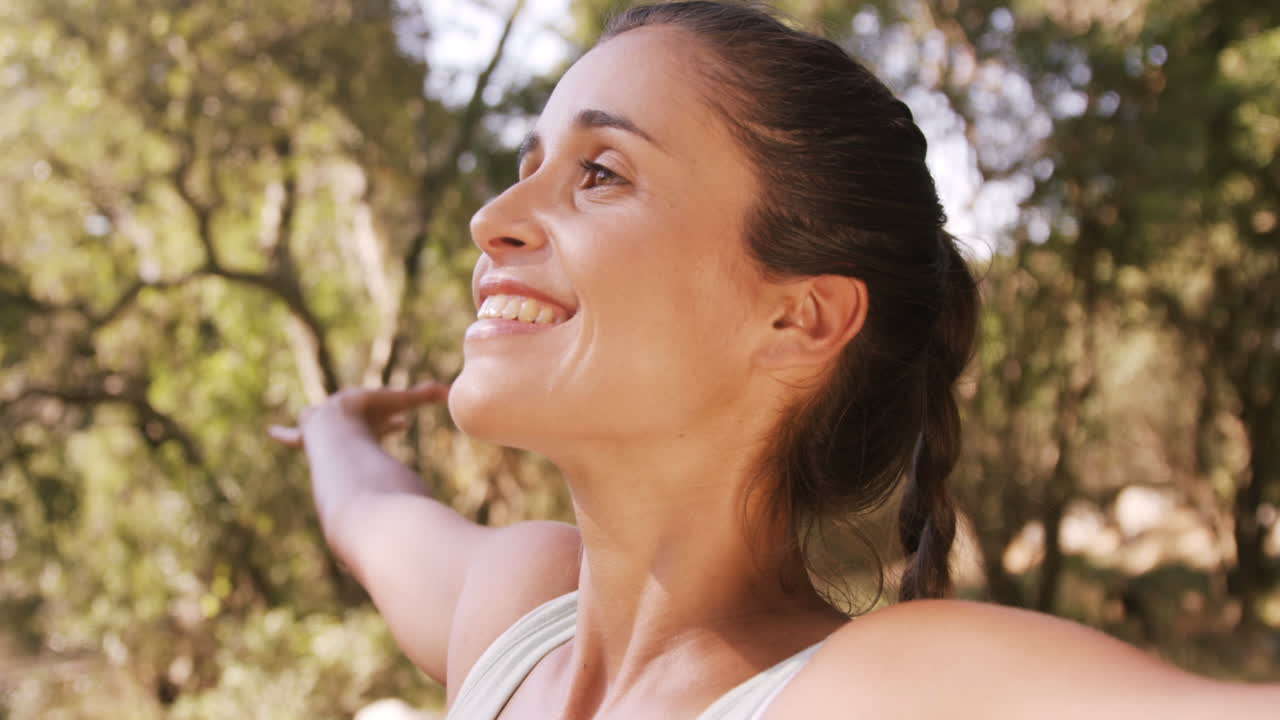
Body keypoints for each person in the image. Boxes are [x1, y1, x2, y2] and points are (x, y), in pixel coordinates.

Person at [269, 2, 1278, 718]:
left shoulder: (872, 688)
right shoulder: (513, 616)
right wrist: (335, 426)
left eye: (601, 174)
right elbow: (368, 512)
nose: (492, 219)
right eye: (525, 169)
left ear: (799, 320)